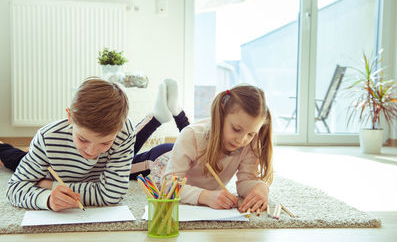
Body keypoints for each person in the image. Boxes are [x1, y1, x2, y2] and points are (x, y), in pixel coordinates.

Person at [2, 77, 188, 211]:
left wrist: (47, 185)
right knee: (14, 159)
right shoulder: (47, 137)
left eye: (105, 143)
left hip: (56, 177)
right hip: (52, 164)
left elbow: (111, 195)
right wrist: (47, 199)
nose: (92, 151)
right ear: (70, 117)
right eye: (83, 139)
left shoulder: (125, 132)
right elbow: (14, 189)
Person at [160, 84, 273, 213]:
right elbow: (168, 187)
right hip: (159, 160)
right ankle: (158, 117)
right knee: (134, 160)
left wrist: (261, 188)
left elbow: (245, 183)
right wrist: (204, 196)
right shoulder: (190, 136)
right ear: (222, 113)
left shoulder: (249, 144)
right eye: (236, 129)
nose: (241, 140)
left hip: (192, 145)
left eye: (251, 134)